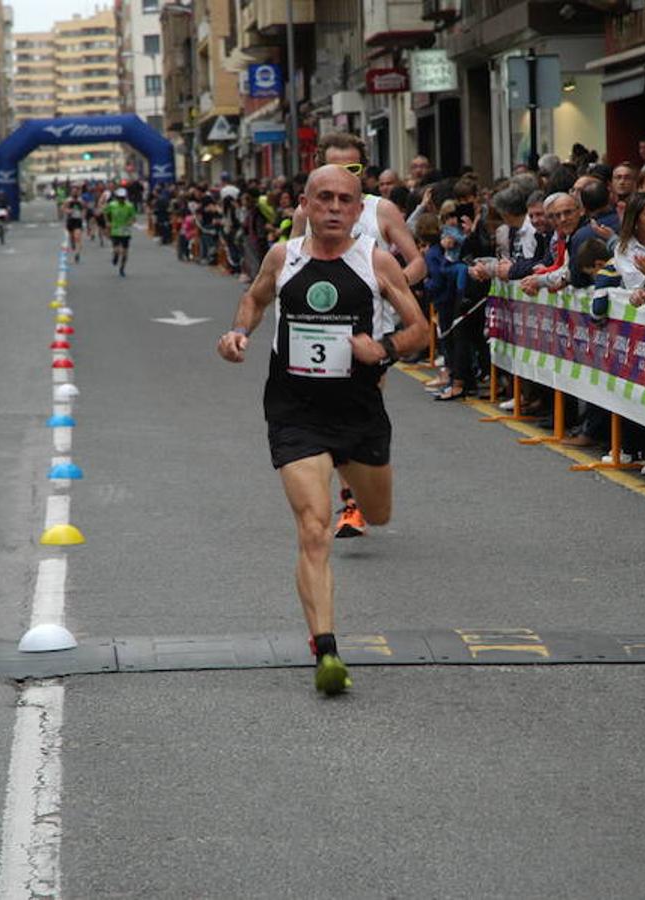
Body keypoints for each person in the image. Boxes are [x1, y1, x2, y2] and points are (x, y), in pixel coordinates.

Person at [214, 165, 427, 696]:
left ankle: (355, 485)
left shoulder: (375, 261)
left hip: (359, 412)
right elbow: (256, 299)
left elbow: (420, 329)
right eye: (323, 198)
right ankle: (326, 650)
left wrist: (384, 348)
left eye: (344, 200)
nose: (333, 208)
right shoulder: (282, 257)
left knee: (378, 512)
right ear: (305, 205)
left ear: (359, 210)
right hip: (296, 411)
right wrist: (238, 332)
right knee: (314, 528)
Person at [290, 132, 425, 539]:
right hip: (318, 330)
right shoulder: (306, 213)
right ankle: (343, 498)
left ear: (363, 170)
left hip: (372, 335)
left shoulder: (381, 210)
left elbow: (417, 262)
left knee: (354, 412)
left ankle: (353, 501)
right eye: (334, 167)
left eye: (352, 168)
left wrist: (386, 286)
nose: (343, 175)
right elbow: (290, 268)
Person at [106, 187, 137, 276]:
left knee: (125, 252)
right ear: (117, 197)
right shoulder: (112, 205)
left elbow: (133, 217)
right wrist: (108, 222)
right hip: (115, 230)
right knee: (117, 250)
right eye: (119, 197)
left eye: (123, 197)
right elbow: (106, 213)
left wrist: (130, 222)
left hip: (125, 231)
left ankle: (122, 268)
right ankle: (115, 256)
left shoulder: (129, 206)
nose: (121, 199)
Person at [64, 190, 86, 262]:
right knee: (72, 237)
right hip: (70, 220)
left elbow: (84, 209)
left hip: (78, 220)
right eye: (73, 192)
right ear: (71, 193)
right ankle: (73, 243)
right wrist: (68, 211)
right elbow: (63, 208)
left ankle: (77, 254)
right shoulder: (68, 200)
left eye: (76, 192)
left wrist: (83, 216)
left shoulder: (81, 201)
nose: (75, 193)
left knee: (77, 237)